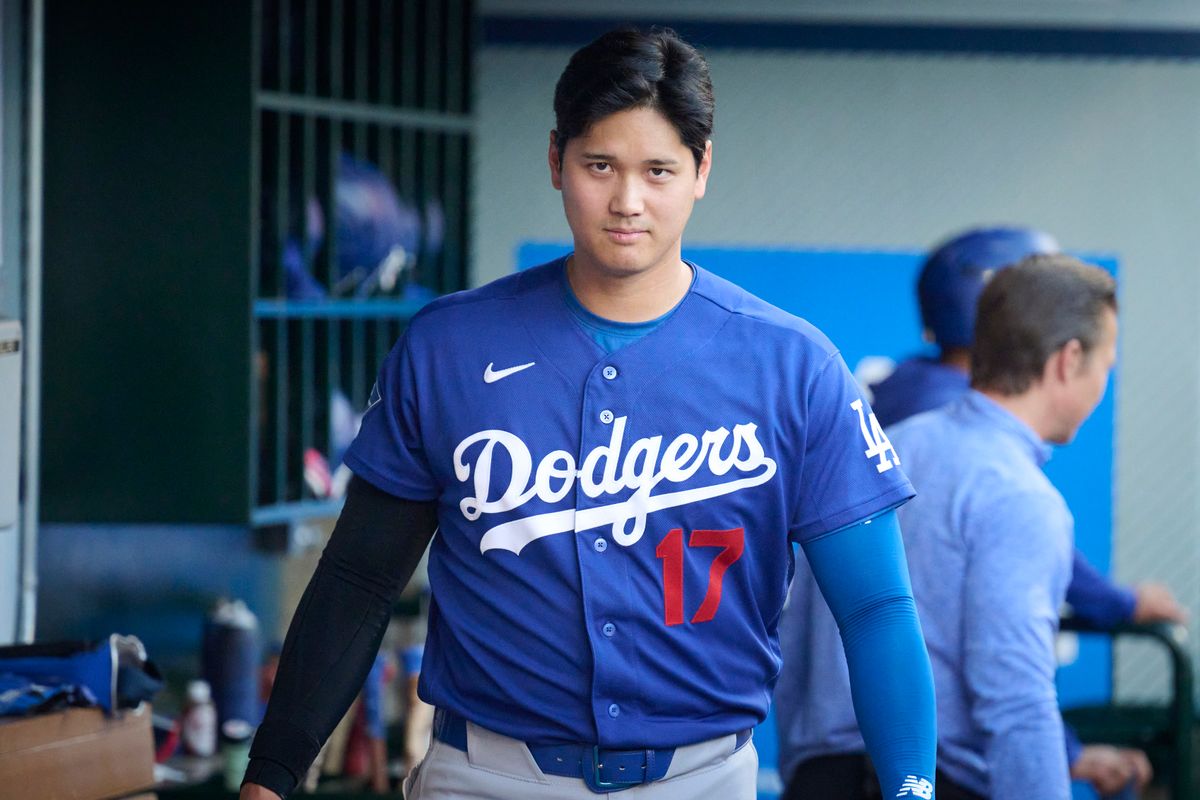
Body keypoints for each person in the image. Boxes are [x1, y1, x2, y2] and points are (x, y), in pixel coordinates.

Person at [241, 26, 937, 800]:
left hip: (701, 778)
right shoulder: (448, 344)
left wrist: (912, 786)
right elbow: (359, 580)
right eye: (598, 165)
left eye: (659, 170)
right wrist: (273, 772)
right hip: (485, 775)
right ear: (555, 161)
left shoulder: (793, 364)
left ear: (702, 170)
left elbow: (875, 606)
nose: (627, 201)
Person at [775, 229, 1181, 800]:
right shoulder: (1019, 495)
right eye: (1105, 364)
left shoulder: (885, 448)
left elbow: (792, 635)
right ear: (1068, 361)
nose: (1102, 382)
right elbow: (1016, 703)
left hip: (818, 781)